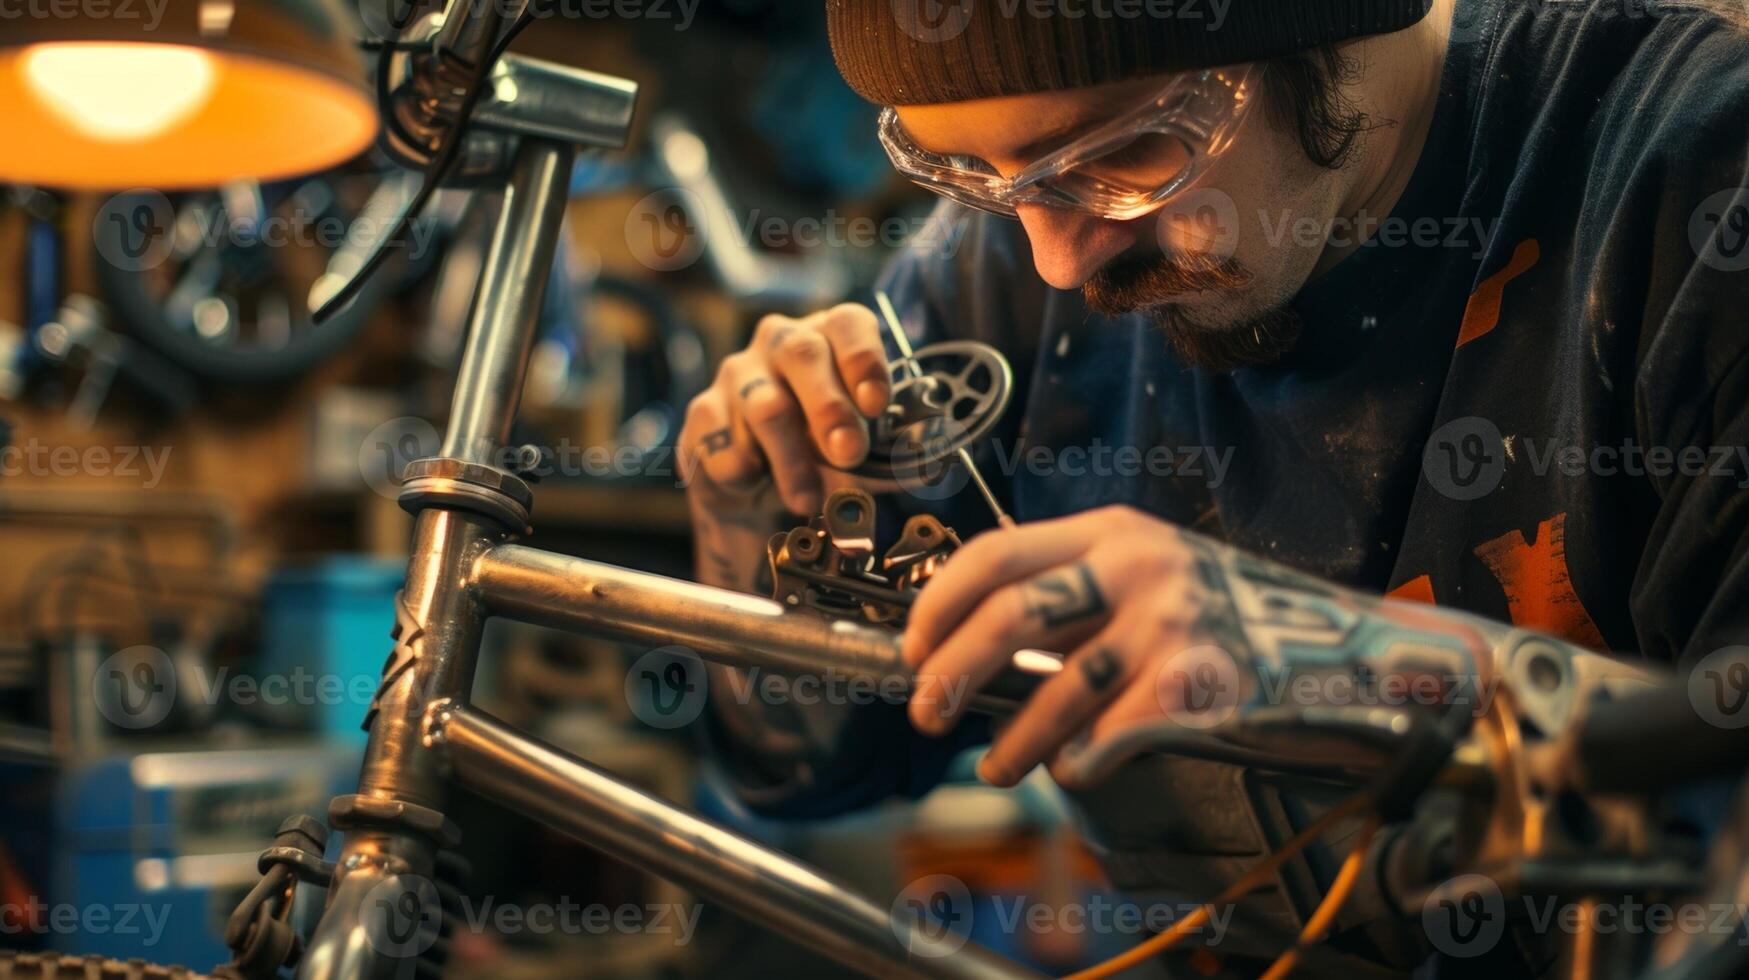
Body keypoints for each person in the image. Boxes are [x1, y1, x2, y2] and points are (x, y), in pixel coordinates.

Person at [677, 0, 1749, 971]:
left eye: (1130, 155)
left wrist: (1356, 667)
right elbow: (821, 767)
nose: (1058, 260)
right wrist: (753, 524)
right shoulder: (995, 271)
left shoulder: (1691, 186)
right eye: (973, 182)